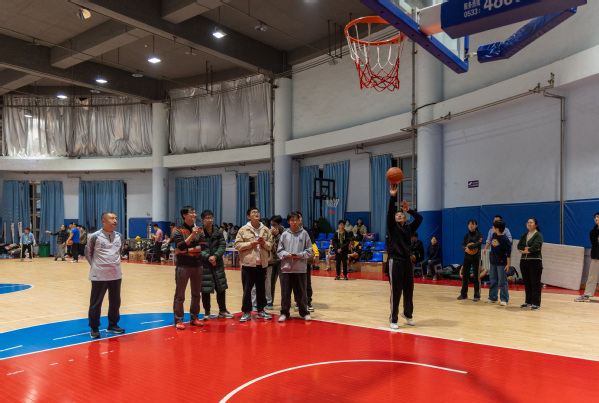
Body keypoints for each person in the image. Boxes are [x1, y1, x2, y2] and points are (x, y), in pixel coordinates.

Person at [387, 184, 423, 329]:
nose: (399, 215)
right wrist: (392, 197)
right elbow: (390, 213)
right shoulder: (392, 227)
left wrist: (410, 210)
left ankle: (408, 314)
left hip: (407, 261)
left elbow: (419, 218)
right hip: (395, 261)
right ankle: (393, 319)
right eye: (397, 215)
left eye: (401, 214)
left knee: (409, 290)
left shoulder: (408, 228)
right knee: (396, 291)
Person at [85, 212, 125, 338]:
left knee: (115, 302)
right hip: (99, 275)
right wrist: (97, 266)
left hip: (116, 275)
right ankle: (94, 327)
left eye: (116, 218)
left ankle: (113, 325)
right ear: (103, 221)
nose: (115, 220)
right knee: (96, 302)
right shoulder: (95, 236)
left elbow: (119, 252)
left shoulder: (119, 236)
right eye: (112, 218)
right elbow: (88, 253)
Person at [234, 207, 273, 322]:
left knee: (261, 289)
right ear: (248, 216)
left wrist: (263, 243)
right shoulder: (243, 229)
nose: (256, 214)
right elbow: (237, 245)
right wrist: (252, 243)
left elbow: (270, 245)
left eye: (257, 212)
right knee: (247, 290)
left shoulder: (265, 229)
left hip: (262, 264)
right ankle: (246, 312)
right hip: (248, 264)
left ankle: (261, 310)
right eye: (253, 212)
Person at [171, 206, 205, 329]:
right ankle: (178, 320)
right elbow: (180, 245)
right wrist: (192, 235)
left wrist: (186, 250)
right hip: (183, 266)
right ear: (184, 215)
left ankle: (194, 318)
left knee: (196, 294)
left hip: (197, 265)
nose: (194, 214)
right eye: (191, 212)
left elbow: (203, 246)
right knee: (180, 295)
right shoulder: (177, 230)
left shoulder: (200, 229)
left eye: (195, 212)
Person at [277, 211, 314, 322]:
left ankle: (304, 312)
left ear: (299, 221)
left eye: (296, 220)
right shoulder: (284, 234)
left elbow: (309, 250)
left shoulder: (304, 233)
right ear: (288, 221)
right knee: (285, 293)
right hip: (286, 269)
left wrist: (300, 255)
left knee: (301, 293)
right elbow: (279, 251)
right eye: (292, 220)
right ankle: (284, 313)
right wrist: (286, 254)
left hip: (300, 269)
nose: (294, 222)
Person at [199, 210, 234, 320]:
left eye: (211, 217)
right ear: (202, 220)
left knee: (221, 288)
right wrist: (208, 257)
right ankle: (207, 312)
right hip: (205, 265)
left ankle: (222, 311)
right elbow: (199, 248)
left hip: (217, 264)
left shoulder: (218, 232)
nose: (209, 220)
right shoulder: (199, 233)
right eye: (207, 218)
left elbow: (222, 245)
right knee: (205, 289)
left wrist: (215, 256)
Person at [517, 218, 544, 310]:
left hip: (535, 261)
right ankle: (528, 301)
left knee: (535, 282)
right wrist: (527, 249)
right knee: (527, 282)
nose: (529, 224)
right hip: (524, 261)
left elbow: (537, 245)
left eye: (531, 223)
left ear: (535, 225)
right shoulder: (524, 235)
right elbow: (519, 246)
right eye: (528, 222)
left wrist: (527, 250)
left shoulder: (538, 235)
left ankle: (536, 303)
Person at [486, 220, 512, 306]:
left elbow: (508, 253)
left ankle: (504, 299)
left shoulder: (505, 239)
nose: (492, 228)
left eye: (493, 227)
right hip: (493, 261)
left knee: (502, 281)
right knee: (493, 280)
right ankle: (492, 297)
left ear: (497, 228)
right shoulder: (494, 235)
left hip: (501, 263)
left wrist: (508, 264)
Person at [457, 220, 483, 302]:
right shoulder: (466, 236)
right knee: (465, 276)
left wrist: (470, 247)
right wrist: (465, 249)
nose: (470, 226)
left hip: (476, 257)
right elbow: (463, 245)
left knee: (476, 277)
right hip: (467, 257)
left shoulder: (480, 235)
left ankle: (477, 295)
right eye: (469, 224)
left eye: (472, 224)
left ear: (476, 226)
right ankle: (463, 294)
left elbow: (478, 243)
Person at [576, 212, 599, 302]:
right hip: (596, 256)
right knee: (592, 276)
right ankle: (587, 295)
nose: (596, 219)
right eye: (595, 217)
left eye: (598, 217)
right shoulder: (592, 232)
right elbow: (594, 244)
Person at [268, 215, 284, 309]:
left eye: (274, 225)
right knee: (271, 282)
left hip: (282, 261)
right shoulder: (269, 232)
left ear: (279, 224)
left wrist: (277, 235)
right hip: (272, 260)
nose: (272, 227)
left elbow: (283, 245)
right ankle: (269, 302)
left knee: (283, 283)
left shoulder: (285, 232)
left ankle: (285, 302)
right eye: (271, 225)